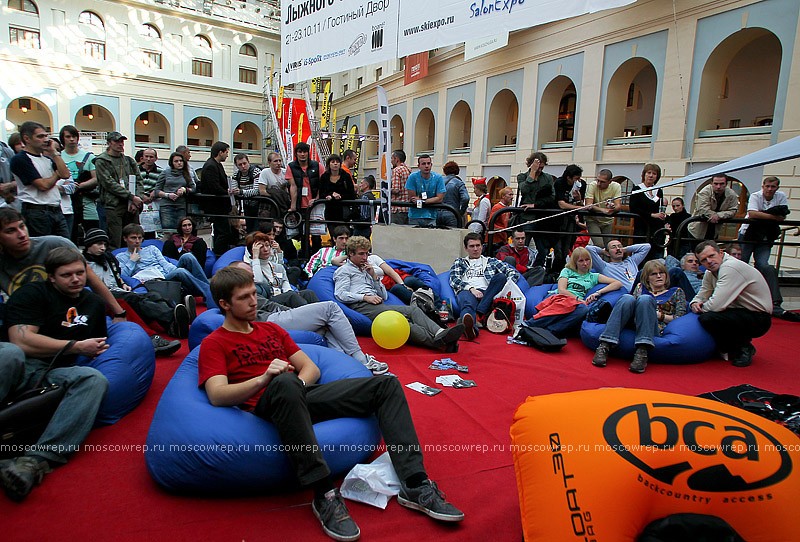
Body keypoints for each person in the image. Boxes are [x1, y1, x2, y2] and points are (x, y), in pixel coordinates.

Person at [199, 267, 463, 541]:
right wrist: (264, 379)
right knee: (284, 383)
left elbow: (310, 369)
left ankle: (415, 483)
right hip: (264, 406)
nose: (254, 301)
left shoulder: (271, 330)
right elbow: (217, 394)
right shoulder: (215, 343)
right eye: (244, 297)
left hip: (298, 397)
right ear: (224, 304)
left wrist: (298, 388)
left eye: (254, 294)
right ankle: (323, 492)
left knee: (386, 384)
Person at [0, 247, 110, 502]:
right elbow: (21, 341)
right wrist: (74, 346)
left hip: (53, 372)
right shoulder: (32, 294)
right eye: (66, 275)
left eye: (80, 273)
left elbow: (97, 345)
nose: (75, 279)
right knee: (9, 354)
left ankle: (35, 461)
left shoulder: (93, 303)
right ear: (51, 277)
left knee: (94, 380)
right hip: (18, 364)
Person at [228, 261, 388, 375]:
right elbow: (268, 308)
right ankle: (361, 358)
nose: (253, 279)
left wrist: (303, 313)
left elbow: (270, 304)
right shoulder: (237, 292)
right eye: (247, 275)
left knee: (324, 325)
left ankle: (347, 364)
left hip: (274, 316)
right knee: (330, 308)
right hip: (269, 321)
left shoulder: (250, 290)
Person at [334, 236, 464, 352]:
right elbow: (340, 294)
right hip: (361, 305)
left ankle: (440, 332)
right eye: (361, 254)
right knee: (402, 322)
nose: (365, 257)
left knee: (413, 310)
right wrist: (365, 297)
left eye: (366, 254)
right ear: (350, 254)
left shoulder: (366, 269)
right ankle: (440, 344)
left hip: (378, 302)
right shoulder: (344, 271)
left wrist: (374, 277)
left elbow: (384, 296)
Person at [83, 228, 191, 344]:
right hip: (104, 295)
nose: (103, 248)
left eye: (105, 244)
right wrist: (132, 261)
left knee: (152, 296)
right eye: (99, 244)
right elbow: (123, 274)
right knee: (136, 300)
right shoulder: (84, 263)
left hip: (122, 288)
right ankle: (173, 316)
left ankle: (175, 321)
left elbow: (118, 276)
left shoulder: (108, 259)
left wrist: (123, 284)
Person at [592, 260, 687, 373]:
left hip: (655, 327)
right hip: (635, 322)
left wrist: (657, 315)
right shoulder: (640, 288)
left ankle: (642, 351)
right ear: (647, 278)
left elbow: (680, 320)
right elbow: (631, 306)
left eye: (662, 273)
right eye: (654, 274)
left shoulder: (676, 292)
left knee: (645, 299)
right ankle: (604, 345)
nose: (659, 276)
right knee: (627, 298)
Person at [691, 241, 772, 367]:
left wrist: (701, 308)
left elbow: (716, 305)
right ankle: (732, 346)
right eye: (704, 260)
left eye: (711, 256)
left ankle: (743, 347)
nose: (709, 261)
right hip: (741, 311)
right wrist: (694, 303)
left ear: (721, 253)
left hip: (758, 317)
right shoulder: (710, 272)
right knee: (708, 316)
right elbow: (703, 293)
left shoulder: (730, 267)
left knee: (708, 318)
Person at [522, 247, 622, 336]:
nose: (585, 263)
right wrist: (578, 299)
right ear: (575, 262)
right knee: (567, 303)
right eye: (581, 261)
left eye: (587, 260)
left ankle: (550, 331)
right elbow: (562, 290)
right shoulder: (567, 271)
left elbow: (618, 283)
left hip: (576, 303)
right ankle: (532, 323)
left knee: (583, 309)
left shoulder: (593, 276)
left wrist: (598, 292)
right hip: (560, 297)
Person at [116, 223, 217, 309]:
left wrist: (177, 270)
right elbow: (122, 276)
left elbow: (165, 264)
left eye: (140, 238)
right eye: (133, 238)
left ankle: (207, 290)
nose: (137, 241)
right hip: (150, 280)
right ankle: (210, 293)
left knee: (188, 256)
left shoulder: (151, 249)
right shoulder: (121, 257)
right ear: (125, 238)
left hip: (165, 275)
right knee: (180, 272)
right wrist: (132, 261)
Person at [450, 231, 518, 339]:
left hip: (488, 293)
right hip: (468, 291)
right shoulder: (460, 262)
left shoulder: (491, 261)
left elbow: (513, 272)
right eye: (472, 246)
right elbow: (454, 280)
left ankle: (478, 313)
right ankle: (471, 329)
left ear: (482, 246)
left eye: (478, 245)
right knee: (467, 304)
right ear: (466, 248)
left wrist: (506, 287)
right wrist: (471, 289)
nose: (475, 249)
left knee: (501, 277)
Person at [9, 121, 71, 238]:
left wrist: (54, 153)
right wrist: (56, 175)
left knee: (65, 249)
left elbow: (65, 174)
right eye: (40, 136)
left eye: (46, 135)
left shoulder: (47, 158)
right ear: (27, 138)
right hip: (36, 212)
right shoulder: (20, 159)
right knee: (43, 250)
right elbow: (43, 185)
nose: (45, 139)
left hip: (56, 210)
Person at [93, 132, 144, 250]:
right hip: (113, 205)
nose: (120, 144)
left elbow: (139, 181)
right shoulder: (102, 160)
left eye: (122, 141)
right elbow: (108, 184)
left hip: (132, 205)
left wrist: (137, 199)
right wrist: (131, 197)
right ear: (109, 143)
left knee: (134, 238)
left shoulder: (129, 161)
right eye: (117, 142)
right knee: (115, 239)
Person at [244, 231, 318, 307]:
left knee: (308, 293)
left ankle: (322, 315)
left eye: (267, 245)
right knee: (291, 296)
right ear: (252, 250)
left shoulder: (277, 267)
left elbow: (286, 286)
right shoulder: (249, 267)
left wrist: (296, 295)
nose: (266, 249)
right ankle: (310, 316)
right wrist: (255, 257)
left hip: (283, 297)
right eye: (261, 247)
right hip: (268, 301)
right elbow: (258, 280)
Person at [516, 152, 558, 266]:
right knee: (523, 247)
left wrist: (535, 205)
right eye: (537, 167)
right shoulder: (522, 177)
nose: (539, 170)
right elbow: (524, 189)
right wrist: (532, 173)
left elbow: (552, 197)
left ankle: (537, 269)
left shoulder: (548, 178)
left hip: (541, 217)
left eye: (541, 167)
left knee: (543, 249)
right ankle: (521, 268)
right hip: (526, 217)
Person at [58, 125, 100, 237]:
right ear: (63, 139)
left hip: (86, 200)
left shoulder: (89, 156)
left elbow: (96, 179)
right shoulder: (58, 157)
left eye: (74, 136)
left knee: (94, 233)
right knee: (69, 235)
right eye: (68, 136)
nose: (72, 139)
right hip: (66, 203)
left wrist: (79, 186)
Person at [286, 142, 324, 251]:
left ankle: (317, 255)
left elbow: (322, 184)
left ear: (308, 153)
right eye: (300, 152)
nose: (302, 154)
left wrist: (316, 200)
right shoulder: (291, 166)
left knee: (316, 234)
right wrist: (293, 206)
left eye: (305, 152)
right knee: (302, 234)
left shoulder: (317, 165)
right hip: (300, 206)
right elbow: (292, 186)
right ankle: (304, 256)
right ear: (296, 153)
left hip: (315, 206)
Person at [199, 141, 235, 256]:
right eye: (226, 152)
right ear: (220, 152)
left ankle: (219, 253)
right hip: (216, 206)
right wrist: (226, 192)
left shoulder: (216, 165)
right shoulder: (211, 166)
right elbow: (213, 186)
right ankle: (219, 253)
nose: (227, 155)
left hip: (219, 206)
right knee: (224, 232)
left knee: (221, 232)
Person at [552, 164, 586, 273]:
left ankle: (562, 271)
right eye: (576, 178)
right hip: (558, 222)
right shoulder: (559, 183)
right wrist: (579, 207)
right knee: (558, 251)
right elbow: (561, 204)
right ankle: (554, 272)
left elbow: (581, 203)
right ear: (569, 177)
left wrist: (579, 200)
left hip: (571, 221)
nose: (578, 181)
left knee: (567, 249)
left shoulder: (581, 185)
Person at [629, 163, 667, 260]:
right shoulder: (637, 189)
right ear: (644, 174)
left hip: (656, 230)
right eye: (649, 173)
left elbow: (659, 207)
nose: (651, 175)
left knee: (655, 256)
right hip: (642, 228)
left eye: (654, 174)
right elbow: (633, 208)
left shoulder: (658, 191)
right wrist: (651, 215)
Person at [587, 240, 651, 292]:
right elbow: (589, 249)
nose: (618, 249)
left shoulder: (631, 261)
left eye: (620, 246)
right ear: (608, 253)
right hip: (625, 294)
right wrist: (603, 251)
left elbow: (646, 247)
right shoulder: (604, 266)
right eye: (613, 247)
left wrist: (625, 249)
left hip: (641, 291)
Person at [688, 174, 739, 241]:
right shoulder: (704, 192)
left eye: (721, 184)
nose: (718, 186)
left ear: (726, 184)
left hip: (715, 229)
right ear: (711, 184)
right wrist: (714, 215)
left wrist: (718, 215)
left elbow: (733, 210)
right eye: (716, 184)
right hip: (697, 230)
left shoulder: (731, 194)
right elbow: (702, 208)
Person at [154, 152, 196, 233]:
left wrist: (184, 190)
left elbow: (193, 189)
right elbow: (157, 191)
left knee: (181, 231)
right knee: (169, 232)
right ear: (172, 163)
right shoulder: (165, 173)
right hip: (167, 206)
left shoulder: (186, 174)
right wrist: (167, 195)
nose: (179, 163)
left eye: (181, 161)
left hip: (181, 206)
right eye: (176, 161)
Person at [318, 154, 356, 236]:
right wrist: (328, 195)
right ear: (329, 164)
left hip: (343, 212)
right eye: (333, 162)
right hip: (330, 211)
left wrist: (340, 196)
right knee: (333, 235)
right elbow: (321, 193)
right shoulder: (324, 177)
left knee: (344, 235)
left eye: (337, 162)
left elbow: (352, 194)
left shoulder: (346, 176)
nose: (335, 164)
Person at [405, 154, 445, 227]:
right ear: (419, 166)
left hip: (431, 216)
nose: (426, 166)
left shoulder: (438, 178)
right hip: (415, 216)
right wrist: (431, 200)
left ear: (431, 165)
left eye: (428, 163)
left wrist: (423, 201)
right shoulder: (412, 177)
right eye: (423, 164)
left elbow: (440, 198)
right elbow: (413, 198)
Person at [584, 169, 621, 248]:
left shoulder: (616, 186)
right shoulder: (592, 185)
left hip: (608, 221)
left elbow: (618, 206)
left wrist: (613, 208)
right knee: (599, 245)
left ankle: (605, 260)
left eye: (602, 182)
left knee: (608, 247)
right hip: (593, 219)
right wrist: (603, 210)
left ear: (610, 181)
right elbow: (588, 204)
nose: (599, 184)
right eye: (598, 180)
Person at [232, 153, 262, 232]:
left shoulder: (256, 171)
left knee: (256, 228)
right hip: (246, 205)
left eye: (244, 163)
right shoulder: (236, 174)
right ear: (236, 165)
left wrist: (241, 192)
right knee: (249, 228)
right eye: (240, 164)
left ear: (248, 162)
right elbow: (234, 188)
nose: (243, 166)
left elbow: (256, 191)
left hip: (258, 205)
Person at [258, 151, 291, 218]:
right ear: (269, 163)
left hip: (283, 203)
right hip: (269, 204)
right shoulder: (265, 172)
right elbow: (262, 191)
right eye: (275, 161)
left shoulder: (285, 172)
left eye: (280, 161)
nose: (278, 163)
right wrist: (276, 196)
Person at [438, 161, 469, 229]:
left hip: (438, 213)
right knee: (453, 237)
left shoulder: (439, 181)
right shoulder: (459, 183)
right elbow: (466, 198)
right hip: (452, 213)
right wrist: (461, 212)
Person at [390, 149, 411, 224]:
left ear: (397, 159)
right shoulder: (408, 170)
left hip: (397, 208)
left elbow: (396, 190)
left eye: (392, 158)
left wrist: (386, 190)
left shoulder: (396, 170)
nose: (391, 161)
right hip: (407, 208)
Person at [353, 174, 376, 239]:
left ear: (366, 185)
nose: (359, 185)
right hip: (367, 226)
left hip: (361, 227)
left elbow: (364, 214)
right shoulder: (372, 196)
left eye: (361, 183)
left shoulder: (365, 197)